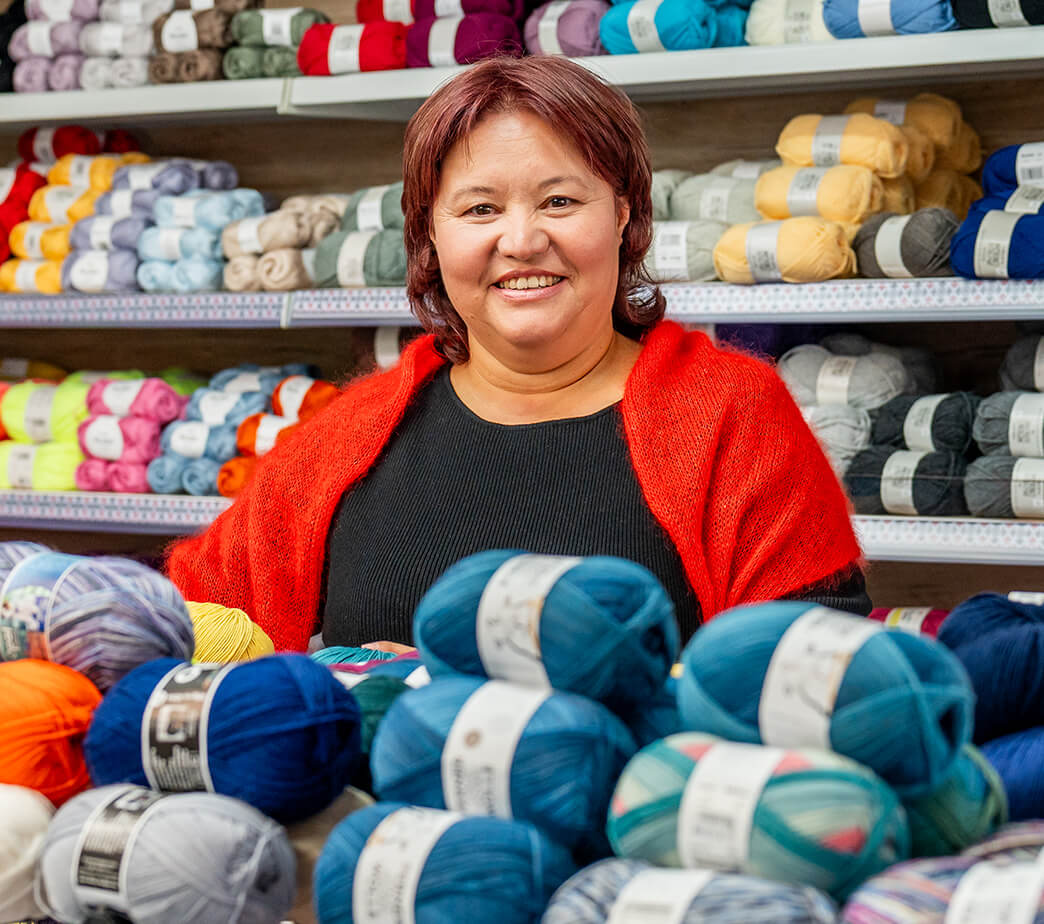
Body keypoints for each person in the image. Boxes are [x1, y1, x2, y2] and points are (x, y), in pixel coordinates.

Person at [168, 55, 869, 653]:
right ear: (430, 237)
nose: (522, 239)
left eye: (560, 201)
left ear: (624, 215)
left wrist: (459, 686)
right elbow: (177, 625)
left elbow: (813, 675)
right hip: (373, 818)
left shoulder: (733, 418)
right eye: (479, 210)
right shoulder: (348, 441)